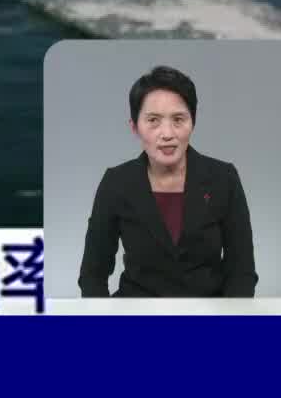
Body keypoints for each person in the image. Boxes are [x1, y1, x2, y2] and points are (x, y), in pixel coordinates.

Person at [78, 65, 257, 297]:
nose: (167, 133)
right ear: (134, 127)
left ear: (193, 122)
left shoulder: (223, 179)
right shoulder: (116, 183)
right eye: (153, 120)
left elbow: (241, 272)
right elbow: (92, 275)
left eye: (178, 119)